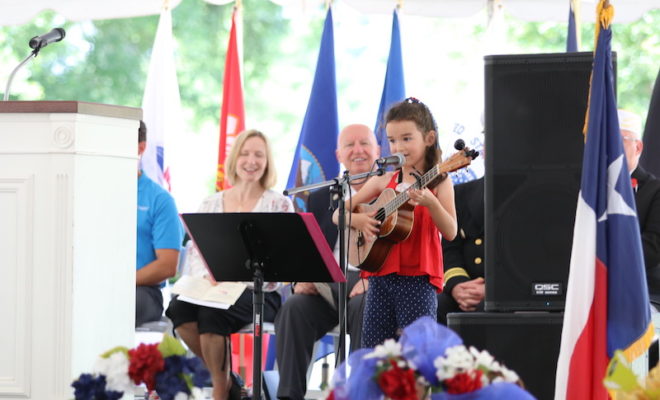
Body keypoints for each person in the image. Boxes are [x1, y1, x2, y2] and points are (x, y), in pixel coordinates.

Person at [165, 129, 293, 400]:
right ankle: (229, 380)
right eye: (245, 154)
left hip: (259, 294)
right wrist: (210, 278)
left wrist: (231, 280)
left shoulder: (279, 204)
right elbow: (196, 255)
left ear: (267, 161)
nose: (251, 161)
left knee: (213, 316)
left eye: (259, 155)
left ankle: (221, 392)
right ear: (234, 159)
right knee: (178, 309)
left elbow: (280, 271)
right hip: (212, 288)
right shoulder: (210, 203)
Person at [334, 97, 457, 348]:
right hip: (380, 277)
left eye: (407, 138)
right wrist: (359, 219)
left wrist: (431, 203)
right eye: (392, 140)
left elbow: (451, 231)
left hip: (418, 280)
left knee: (417, 354)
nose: (398, 147)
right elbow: (338, 213)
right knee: (375, 353)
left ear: (429, 138)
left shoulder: (440, 182)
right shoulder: (383, 180)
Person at [275, 124, 379, 400]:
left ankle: (358, 393)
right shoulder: (323, 196)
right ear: (338, 154)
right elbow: (307, 247)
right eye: (349, 145)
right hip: (327, 282)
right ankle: (288, 395)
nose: (358, 150)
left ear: (378, 150)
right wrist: (303, 278)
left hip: (369, 281)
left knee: (366, 305)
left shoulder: (391, 192)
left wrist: (373, 281)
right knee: (294, 307)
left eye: (364, 143)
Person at [136, 120, 183, 327]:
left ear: (141, 147)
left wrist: (118, 282)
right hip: (93, 287)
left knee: (111, 305)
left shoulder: (159, 199)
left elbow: (166, 266)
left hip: (143, 292)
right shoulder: (91, 191)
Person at [618, 109, 660, 305]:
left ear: (638, 147)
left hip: (644, 296)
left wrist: (604, 253)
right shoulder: (589, 189)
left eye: (620, 140)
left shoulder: (655, 190)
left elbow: (654, 246)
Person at [437, 176, 485, 325]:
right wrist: (458, 286)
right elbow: (450, 249)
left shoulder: (527, 193)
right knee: (435, 306)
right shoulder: (461, 193)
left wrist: (494, 290)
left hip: (507, 290)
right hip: (465, 286)